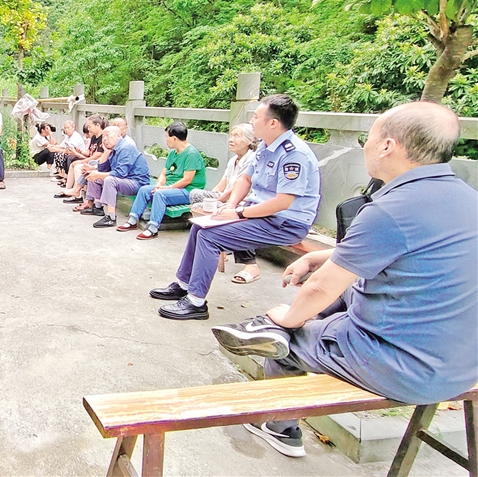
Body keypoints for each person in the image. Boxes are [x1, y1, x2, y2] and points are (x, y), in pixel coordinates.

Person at [212, 102, 477, 458]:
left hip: (405, 367)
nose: (366, 146)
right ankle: (290, 328)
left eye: (368, 139)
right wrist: (317, 256)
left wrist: (288, 318)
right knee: (342, 295)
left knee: (285, 338)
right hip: (462, 362)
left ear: (387, 146)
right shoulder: (467, 198)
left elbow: (321, 286)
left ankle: (281, 428)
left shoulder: (388, 209)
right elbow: (398, 249)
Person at [151, 95, 320, 320]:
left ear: (273, 123)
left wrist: (238, 212)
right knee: (200, 226)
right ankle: (184, 284)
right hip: (260, 214)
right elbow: (245, 179)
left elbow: (283, 202)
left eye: (256, 117)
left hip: (285, 222)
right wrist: (229, 206)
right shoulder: (265, 146)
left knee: (210, 237)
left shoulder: (294, 154)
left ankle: (196, 302)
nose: (252, 121)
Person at [189, 124, 261, 284]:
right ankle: (216, 246)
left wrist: (220, 203)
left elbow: (238, 188)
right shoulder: (233, 160)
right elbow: (222, 185)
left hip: (244, 201)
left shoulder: (252, 159)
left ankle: (251, 265)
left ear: (249, 140)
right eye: (231, 135)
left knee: (232, 213)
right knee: (197, 198)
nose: (231, 139)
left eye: (236, 136)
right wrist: (209, 201)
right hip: (227, 198)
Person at [120, 122, 206, 239]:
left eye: (166, 137)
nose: (165, 140)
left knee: (160, 194)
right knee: (144, 190)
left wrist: (167, 188)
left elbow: (187, 180)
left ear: (174, 138)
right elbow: (163, 173)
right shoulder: (173, 153)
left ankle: (153, 228)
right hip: (172, 187)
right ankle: (132, 220)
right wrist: (159, 184)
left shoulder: (191, 154)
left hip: (188, 191)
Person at [83, 126, 150, 228]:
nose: (105, 139)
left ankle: (111, 218)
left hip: (136, 182)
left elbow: (120, 173)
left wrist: (99, 174)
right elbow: (102, 169)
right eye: (103, 136)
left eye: (108, 135)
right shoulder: (113, 149)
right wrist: (106, 153)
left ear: (118, 136)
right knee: (94, 175)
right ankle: (97, 207)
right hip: (124, 180)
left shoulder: (125, 148)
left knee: (109, 180)